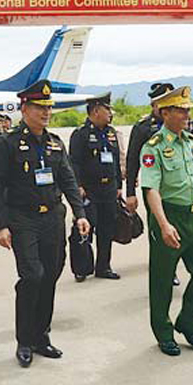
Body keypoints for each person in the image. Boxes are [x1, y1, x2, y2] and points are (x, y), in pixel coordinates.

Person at [0, 79, 90, 368]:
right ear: (24, 108)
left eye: (48, 108)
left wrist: (80, 214)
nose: (45, 113)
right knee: (32, 275)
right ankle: (24, 340)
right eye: (39, 107)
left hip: (53, 218)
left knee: (51, 274)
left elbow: (69, 181)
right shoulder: (8, 143)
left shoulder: (55, 143)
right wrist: (0, 225)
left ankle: (41, 335)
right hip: (23, 219)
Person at [140, 86, 193, 356]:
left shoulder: (192, 141)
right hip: (170, 217)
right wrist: (163, 224)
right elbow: (151, 189)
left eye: (188, 109)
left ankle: (187, 322)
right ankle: (163, 332)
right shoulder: (154, 147)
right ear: (165, 113)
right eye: (181, 110)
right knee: (162, 281)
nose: (188, 114)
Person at [126, 82, 180, 286]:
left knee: (179, 230)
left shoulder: (180, 125)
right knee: (159, 231)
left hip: (178, 188)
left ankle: (172, 268)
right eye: (161, 102)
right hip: (154, 190)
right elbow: (132, 161)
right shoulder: (143, 128)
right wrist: (130, 193)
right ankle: (162, 270)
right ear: (154, 104)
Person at [69, 92, 123, 282]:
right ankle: (82, 268)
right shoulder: (81, 134)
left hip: (109, 190)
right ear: (96, 111)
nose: (110, 114)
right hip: (89, 190)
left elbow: (116, 161)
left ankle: (103, 266)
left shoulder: (111, 133)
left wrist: (119, 185)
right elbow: (74, 163)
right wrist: (78, 186)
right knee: (84, 229)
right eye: (107, 110)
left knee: (107, 229)